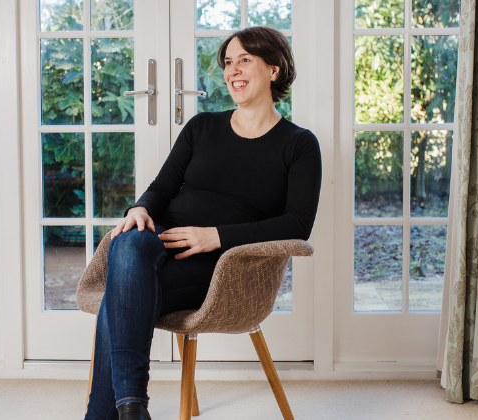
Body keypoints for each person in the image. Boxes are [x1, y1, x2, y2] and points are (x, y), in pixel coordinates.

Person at [84, 26, 322, 420]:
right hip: (161, 243)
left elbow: (297, 224)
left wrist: (216, 237)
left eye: (244, 60)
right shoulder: (201, 127)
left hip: (222, 268)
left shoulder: (298, 144)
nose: (232, 70)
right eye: (228, 62)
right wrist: (140, 209)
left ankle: (118, 413)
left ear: (274, 69)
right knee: (129, 239)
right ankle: (132, 408)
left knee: (120, 295)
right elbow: (161, 188)